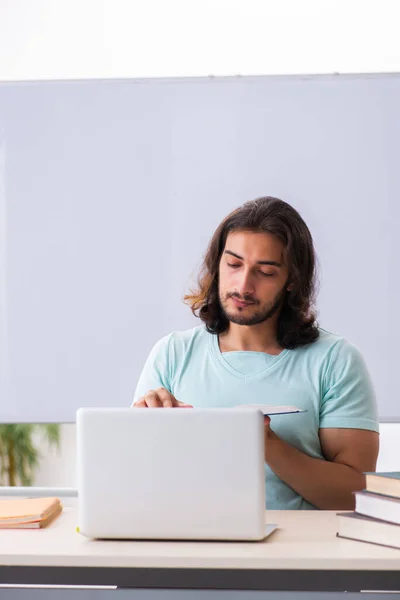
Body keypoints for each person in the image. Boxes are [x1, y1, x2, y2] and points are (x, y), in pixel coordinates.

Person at [132, 196, 379, 510]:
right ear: (217, 264)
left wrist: (267, 445)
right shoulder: (172, 353)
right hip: (191, 547)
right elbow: (136, 478)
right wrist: (144, 429)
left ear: (292, 280)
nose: (243, 286)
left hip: (299, 554)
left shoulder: (335, 360)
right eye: (233, 264)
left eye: (265, 272)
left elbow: (356, 498)